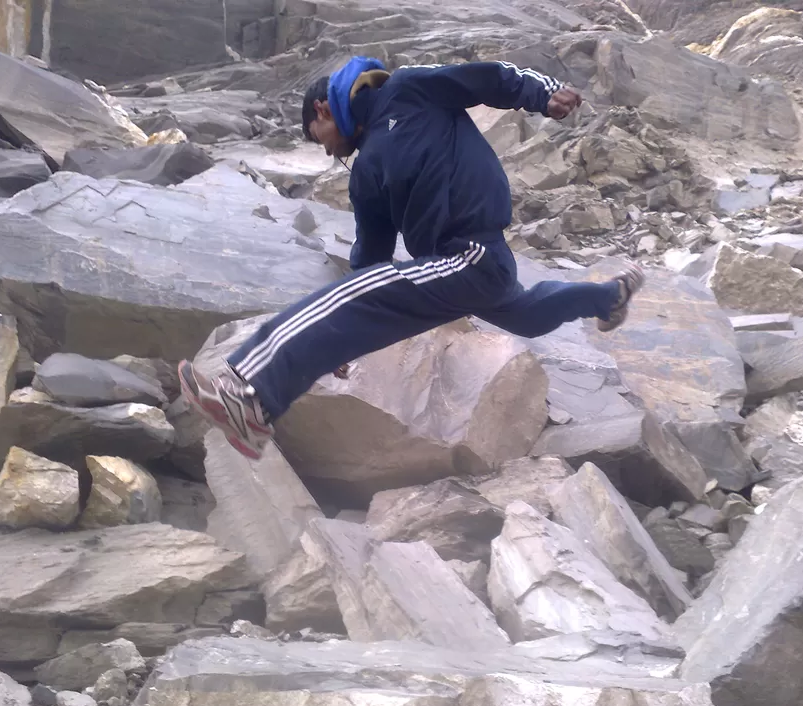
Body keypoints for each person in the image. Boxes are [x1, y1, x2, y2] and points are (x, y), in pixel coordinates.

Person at [177, 56, 645, 459]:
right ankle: (606, 299)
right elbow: (371, 257)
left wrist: (543, 94)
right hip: (462, 264)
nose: (322, 146)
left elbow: (489, 77)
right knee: (523, 314)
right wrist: (340, 336)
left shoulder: (409, 89)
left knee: (351, 296)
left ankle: (250, 396)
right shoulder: (363, 172)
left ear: (323, 108)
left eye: (315, 132)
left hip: (474, 251)